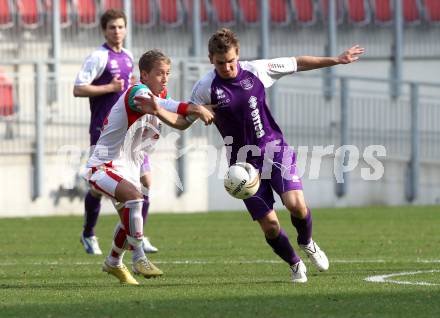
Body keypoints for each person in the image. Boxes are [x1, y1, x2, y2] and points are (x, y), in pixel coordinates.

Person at [189, 28, 365, 283]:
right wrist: (195, 109)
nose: (227, 67)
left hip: (274, 149)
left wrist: (336, 60)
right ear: (210, 59)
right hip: (243, 165)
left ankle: (307, 242)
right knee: (270, 225)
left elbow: (297, 63)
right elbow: (184, 118)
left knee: (297, 205)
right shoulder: (205, 87)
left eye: (231, 61)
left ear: (238, 54)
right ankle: (294, 264)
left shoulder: (257, 70)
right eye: (220, 63)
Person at [85, 49, 214, 285]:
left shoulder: (159, 96)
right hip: (103, 165)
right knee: (135, 200)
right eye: (159, 73)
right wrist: (194, 108)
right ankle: (139, 257)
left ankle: (114, 262)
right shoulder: (138, 92)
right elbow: (163, 105)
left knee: (129, 218)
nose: (165, 78)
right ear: (144, 75)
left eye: (168, 73)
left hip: (128, 169)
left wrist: (198, 113)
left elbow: (179, 122)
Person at [73, 9, 157, 255]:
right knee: (98, 189)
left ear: (126, 28)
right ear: (104, 30)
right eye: (112, 27)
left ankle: (136, 237)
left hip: (130, 132)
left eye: (121, 27)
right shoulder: (98, 58)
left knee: (145, 180)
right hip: (104, 131)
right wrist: (109, 87)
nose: (117, 31)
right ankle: (89, 234)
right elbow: (78, 89)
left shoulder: (129, 56)